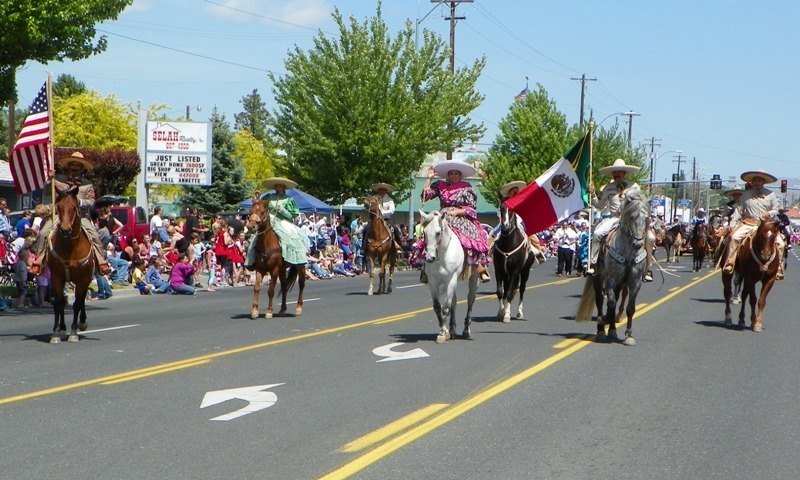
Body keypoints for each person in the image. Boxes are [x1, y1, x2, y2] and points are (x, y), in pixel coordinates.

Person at [30, 151, 111, 276]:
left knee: (94, 235)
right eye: (72, 164)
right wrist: (49, 179)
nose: (74, 167)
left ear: (81, 168)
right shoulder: (58, 180)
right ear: (69, 166)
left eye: (77, 165)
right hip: (60, 215)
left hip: (80, 215)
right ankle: (39, 260)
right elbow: (46, 192)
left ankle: (101, 261)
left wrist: (80, 202)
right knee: (43, 233)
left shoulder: (87, 184)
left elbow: (92, 202)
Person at [420, 160, 491, 283]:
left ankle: (478, 266)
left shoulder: (466, 187)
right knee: (429, 234)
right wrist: (428, 179)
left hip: (460, 217)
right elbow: (425, 197)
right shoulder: (440, 185)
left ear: (460, 175)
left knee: (473, 234)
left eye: (456, 174)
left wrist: (457, 212)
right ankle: (425, 268)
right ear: (448, 175)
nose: (453, 176)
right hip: (443, 216)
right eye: (451, 173)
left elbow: (471, 208)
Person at [587, 158, 654, 282]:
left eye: (619, 172)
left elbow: (641, 203)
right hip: (614, 219)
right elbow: (599, 205)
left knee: (650, 238)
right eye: (614, 172)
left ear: (624, 173)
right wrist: (592, 194)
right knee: (597, 234)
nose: (616, 174)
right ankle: (593, 263)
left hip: (631, 220)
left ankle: (647, 269)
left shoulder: (634, 187)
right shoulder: (608, 188)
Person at [721, 170, 785, 280]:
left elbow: (776, 209)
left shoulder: (771, 194)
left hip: (766, 224)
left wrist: (769, 214)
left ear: (763, 182)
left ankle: (779, 266)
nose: (757, 183)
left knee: (781, 243)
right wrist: (732, 224)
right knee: (734, 237)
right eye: (755, 181)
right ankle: (730, 262)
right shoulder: (746, 195)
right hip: (749, 223)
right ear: (752, 182)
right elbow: (739, 210)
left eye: (759, 181)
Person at [245, 177, 309, 269]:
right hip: (270, 220)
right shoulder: (269, 197)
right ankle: (251, 261)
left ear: (284, 188)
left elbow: (293, 216)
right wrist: (257, 199)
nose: (278, 187)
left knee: (290, 236)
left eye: (280, 186)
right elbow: (260, 207)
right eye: (276, 186)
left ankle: (293, 258)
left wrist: (283, 210)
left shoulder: (289, 200)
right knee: (255, 237)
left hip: (283, 221)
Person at [363, 182, 404, 253]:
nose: (381, 191)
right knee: (366, 229)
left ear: (386, 191)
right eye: (380, 190)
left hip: (386, 219)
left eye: (383, 190)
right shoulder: (373, 199)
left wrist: (382, 214)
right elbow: (368, 207)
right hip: (375, 220)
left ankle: (398, 246)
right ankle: (364, 248)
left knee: (395, 229)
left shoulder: (389, 200)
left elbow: (392, 210)